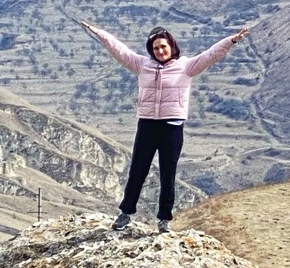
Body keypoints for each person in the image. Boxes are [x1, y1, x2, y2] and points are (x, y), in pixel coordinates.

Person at [80, 20, 249, 233]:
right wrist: (98, 32)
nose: (160, 51)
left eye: (163, 46)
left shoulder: (186, 66)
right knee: (137, 170)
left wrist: (231, 40)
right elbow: (118, 49)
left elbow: (210, 55)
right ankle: (126, 213)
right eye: (155, 48)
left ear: (171, 46)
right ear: (151, 50)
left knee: (167, 173)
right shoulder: (142, 65)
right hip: (147, 125)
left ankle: (164, 219)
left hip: (172, 127)